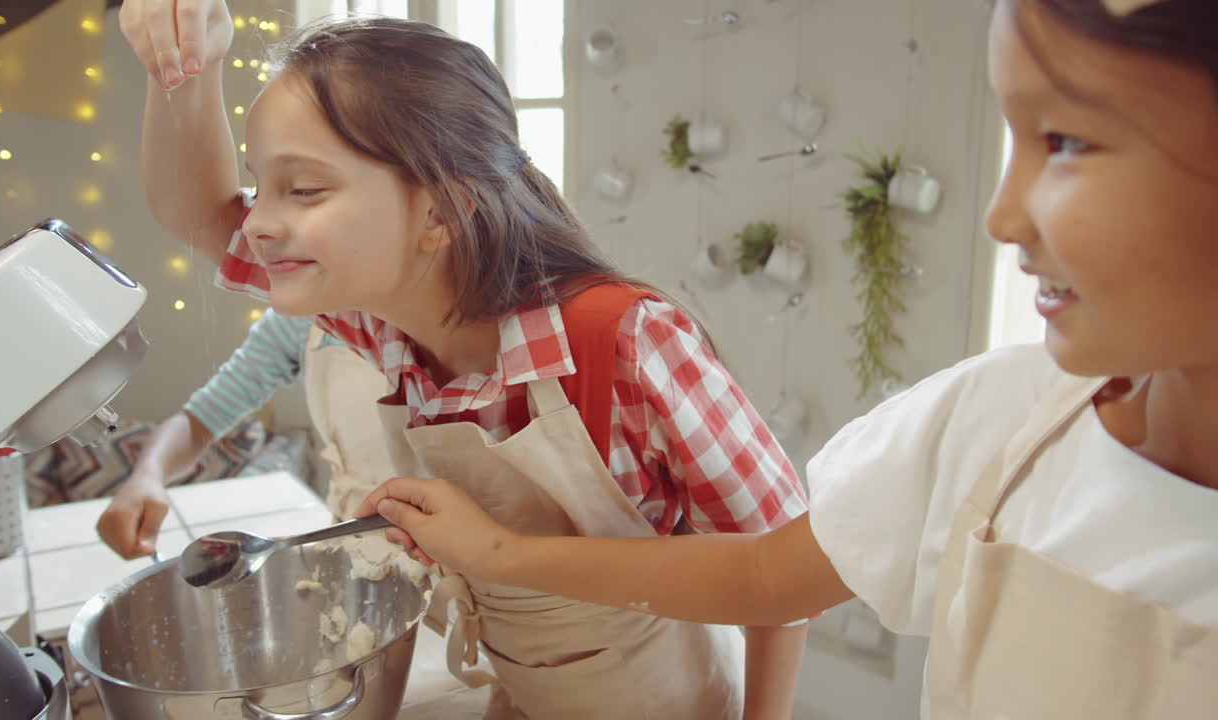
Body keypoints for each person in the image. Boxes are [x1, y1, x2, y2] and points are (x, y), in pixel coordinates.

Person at [355, 0, 1218, 717]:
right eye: (1015, 137)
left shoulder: (627, 335)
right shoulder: (996, 416)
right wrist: (497, 557)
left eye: (1067, 142)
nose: (1001, 217)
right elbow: (766, 573)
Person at [116, 5, 812, 719]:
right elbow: (200, 215)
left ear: (440, 214)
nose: (258, 220)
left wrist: (494, 551)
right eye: (263, 185)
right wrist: (185, 70)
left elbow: (790, 576)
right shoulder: (383, 326)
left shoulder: (628, 342)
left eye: (304, 188)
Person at [95, 308, 393, 559]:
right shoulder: (296, 320)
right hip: (357, 544)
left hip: (437, 548)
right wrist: (147, 476)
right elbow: (199, 419)